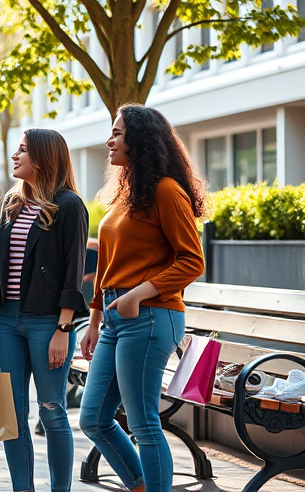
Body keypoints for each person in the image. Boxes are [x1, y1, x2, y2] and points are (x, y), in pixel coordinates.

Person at [79, 104, 206, 492]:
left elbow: (193, 260)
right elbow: (107, 263)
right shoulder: (124, 193)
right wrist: (96, 320)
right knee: (94, 419)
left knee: (144, 423)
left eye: (117, 133)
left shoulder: (166, 191)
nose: (109, 140)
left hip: (151, 316)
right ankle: (140, 485)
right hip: (118, 317)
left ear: (140, 140)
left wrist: (139, 293)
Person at [0, 129, 88, 492]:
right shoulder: (10, 203)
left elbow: (74, 272)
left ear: (42, 158)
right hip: (8, 321)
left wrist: (63, 328)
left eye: (23, 150)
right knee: (11, 417)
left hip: (48, 323)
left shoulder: (69, 204)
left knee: (53, 411)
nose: (15, 156)